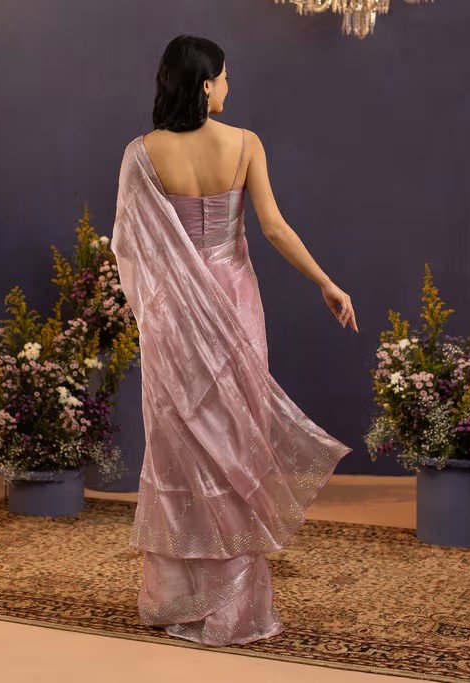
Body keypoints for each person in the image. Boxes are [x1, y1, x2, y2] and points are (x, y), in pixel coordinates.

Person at [111, 34, 357, 648]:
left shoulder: (141, 153)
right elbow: (272, 227)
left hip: (174, 314)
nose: (228, 85)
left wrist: (158, 304)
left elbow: (128, 246)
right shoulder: (245, 143)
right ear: (204, 84)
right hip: (234, 302)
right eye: (223, 77)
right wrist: (326, 281)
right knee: (236, 440)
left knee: (179, 444)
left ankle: (181, 599)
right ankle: (234, 606)